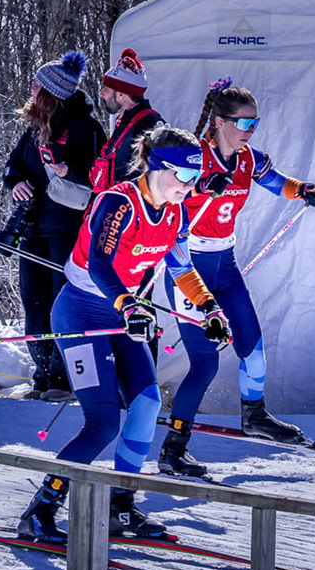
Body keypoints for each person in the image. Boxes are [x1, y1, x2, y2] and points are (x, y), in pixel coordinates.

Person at [16, 126, 230, 544]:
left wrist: (209, 308)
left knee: (147, 403)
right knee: (101, 424)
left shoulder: (176, 213)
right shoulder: (119, 202)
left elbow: (182, 268)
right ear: (157, 167)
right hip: (82, 312)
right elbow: (99, 262)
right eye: (185, 176)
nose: (189, 187)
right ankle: (39, 512)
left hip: (122, 313)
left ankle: (120, 507)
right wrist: (128, 304)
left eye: (196, 177)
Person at [157, 80, 315, 472]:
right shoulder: (195, 156)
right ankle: (173, 450)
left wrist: (304, 190)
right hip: (189, 267)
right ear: (219, 122)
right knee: (205, 364)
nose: (251, 130)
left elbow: (278, 182)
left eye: (255, 123)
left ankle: (255, 416)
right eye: (244, 123)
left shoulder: (249, 160)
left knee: (252, 344)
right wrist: (200, 185)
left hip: (225, 264)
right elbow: (165, 192)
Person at [0, 51, 104, 400]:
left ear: (50, 93)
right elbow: (13, 164)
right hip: (32, 229)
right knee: (34, 303)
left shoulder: (86, 127)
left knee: (62, 304)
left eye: (36, 86)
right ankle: (41, 374)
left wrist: (69, 171)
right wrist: (15, 182)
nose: (31, 90)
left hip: (67, 230)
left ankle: (62, 378)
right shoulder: (34, 128)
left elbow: (102, 177)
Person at [89, 48, 162, 194]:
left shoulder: (149, 126)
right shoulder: (125, 122)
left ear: (121, 95)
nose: (101, 94)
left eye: (106, 89)